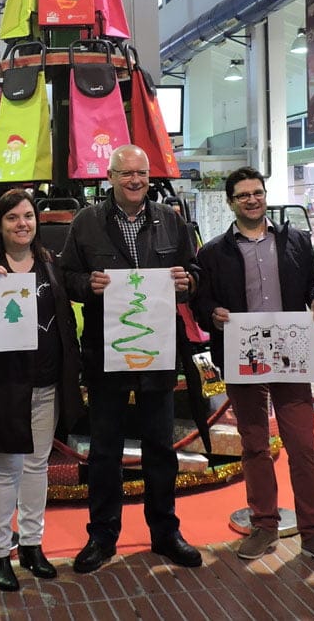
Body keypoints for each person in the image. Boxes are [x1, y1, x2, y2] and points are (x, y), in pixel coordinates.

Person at [192, 167, 314, 571]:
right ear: (231, 202)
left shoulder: (294, 241)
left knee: (303, 444)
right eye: (243, 195)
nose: (252, 200)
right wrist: (213, 313)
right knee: (254, 445)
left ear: (265, 195)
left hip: (291, 352)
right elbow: (201, 302)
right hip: (242, 354)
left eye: (257, 192)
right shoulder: (213, 252)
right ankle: (264, 525)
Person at [59, 144, 202, 574]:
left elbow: (194, 272)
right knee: (105, 450)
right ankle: (102, 537)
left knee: (161, 446)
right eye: (126, 173)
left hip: (158, 351)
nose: (135, 180)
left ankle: (166, 532)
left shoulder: (171, 221)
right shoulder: (86, 222)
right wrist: (87, 285)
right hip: (106, 353)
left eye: (141, 173)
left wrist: (187, 282)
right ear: (110, 176)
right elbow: (66, 276)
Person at [0, 189, 85, 592]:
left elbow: (63, 317)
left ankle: (32, 545)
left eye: (28, 216)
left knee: (37, 466)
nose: (22, 224)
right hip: (3, 385)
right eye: (13, 217)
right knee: (4, 470)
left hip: (47, 383)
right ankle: (0, 552)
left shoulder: (49, 263)